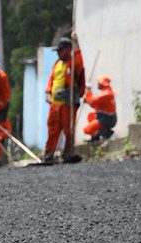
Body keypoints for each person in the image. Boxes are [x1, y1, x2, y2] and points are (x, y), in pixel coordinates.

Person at [44, 33, 86, 162]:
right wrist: (48, 92)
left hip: (67, 104)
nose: (58, 53)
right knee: (52, 129)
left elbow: (79, 59)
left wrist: (76, 43)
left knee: (68, 130)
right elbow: (51, 79)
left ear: (68, 49)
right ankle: (48, 154)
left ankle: (67, 153)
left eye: (60, 51)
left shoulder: (73, 62)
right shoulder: (57, 64)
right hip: (55, 104)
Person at [83, 74, 117, 141]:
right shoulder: (107, 91)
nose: (97, 84)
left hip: (106, 119)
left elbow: (93, 101)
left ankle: (105, 133)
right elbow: (95, 104)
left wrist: (88, 91)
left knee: (86, 130)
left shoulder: (105, 94)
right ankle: (97, 136)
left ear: (102, 83)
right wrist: (88, 100)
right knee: (91, 116)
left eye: (99, 82)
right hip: (107, 118)